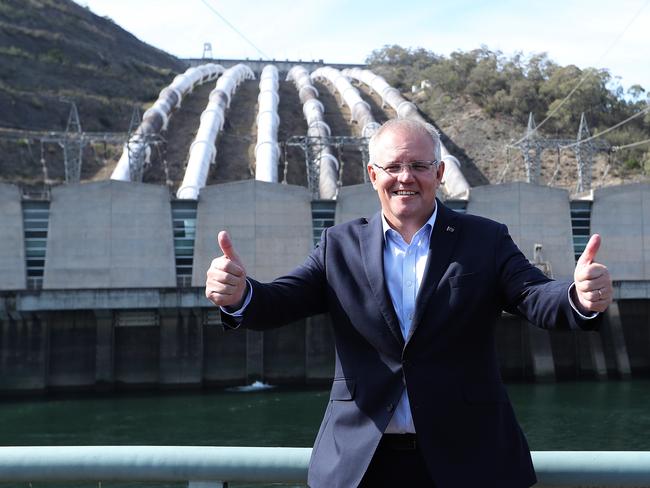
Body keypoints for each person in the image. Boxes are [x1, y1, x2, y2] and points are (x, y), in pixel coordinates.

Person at [205, 118, 613, 488]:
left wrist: (579, 296)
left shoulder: (484, 240)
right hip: (362, 465)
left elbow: (534, 295)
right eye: (394, 167)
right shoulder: (338, 246)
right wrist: (241, 295)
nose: (406, 178)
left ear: (438, 174)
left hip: (470, 460)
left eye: (419, 166)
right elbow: (281, 300)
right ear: (373, 175)